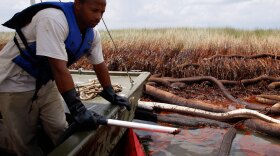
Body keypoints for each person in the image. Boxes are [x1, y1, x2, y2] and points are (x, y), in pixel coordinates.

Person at [0, 0, 130, 155]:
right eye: (94, 10)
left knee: (59, 126)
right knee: (24, 139)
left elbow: (99, 63)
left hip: (45, 81)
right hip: (15, 80)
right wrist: (77, 108)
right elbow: (58, 68)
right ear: (78, 4)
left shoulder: (92, 34)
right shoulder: (52, 19)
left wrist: (110, 92)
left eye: (102, 13)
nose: (98, 17)